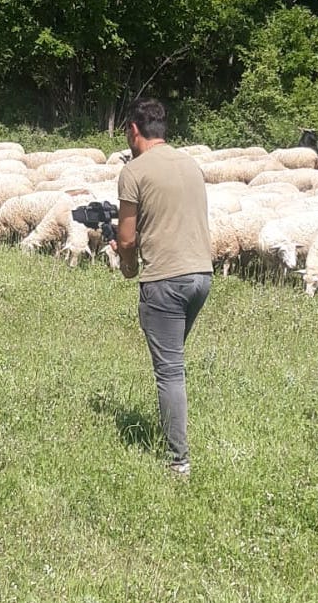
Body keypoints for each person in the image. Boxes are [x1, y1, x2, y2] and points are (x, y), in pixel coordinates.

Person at [114, 98, 213, 475]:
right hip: (200, 277)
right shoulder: (191, 164)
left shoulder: (133, 171)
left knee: (170, 371)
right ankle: (173, 434)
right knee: (173, 361)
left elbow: (126, 238)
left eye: (127, 132)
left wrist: (127, 265)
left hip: (164, 280)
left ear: (134, 130)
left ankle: (178, 461)